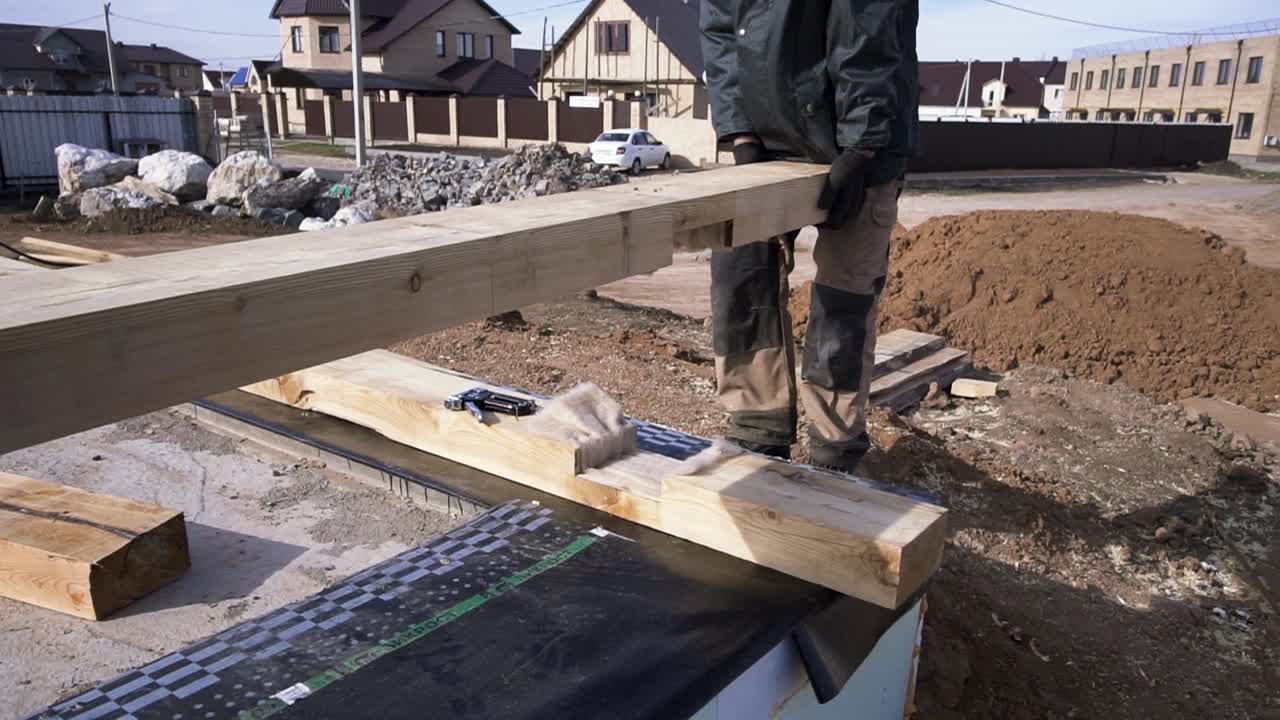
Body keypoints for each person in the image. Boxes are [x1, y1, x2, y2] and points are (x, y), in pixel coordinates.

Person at [700, 0, 920, 472]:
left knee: (845, 302)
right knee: (741, 280)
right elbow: (720, 29)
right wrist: (740, 133)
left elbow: (871, 29)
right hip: (766, 138)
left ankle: (833, 451)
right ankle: (757, 430)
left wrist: (862, 144)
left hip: (864, 142)